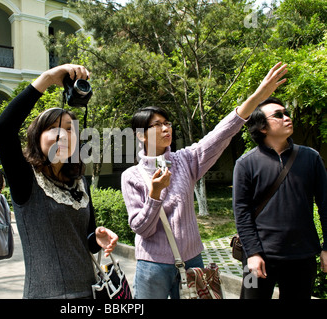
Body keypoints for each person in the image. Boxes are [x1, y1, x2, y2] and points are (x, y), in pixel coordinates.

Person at [121, 62, 288, 299]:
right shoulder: (132, 176)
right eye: (157, 125)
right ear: (140, 134)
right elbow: (141, 229)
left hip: (192, 260)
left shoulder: (186, 160)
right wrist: (154, 194)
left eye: (167, 123)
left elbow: (223, 132)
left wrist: (258, 95)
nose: (166, 128)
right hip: (152, 265)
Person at [0, 64, 118, 299]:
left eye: (70, 129)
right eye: (53, 129)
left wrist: (98, 237)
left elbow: (86, 241)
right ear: (36, 137)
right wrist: (48, 78)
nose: (63, 134)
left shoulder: (80, 182)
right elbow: (4, 128)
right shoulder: (27, 179)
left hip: (89, 293)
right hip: (46, 294)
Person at [233, 96, 327, 299]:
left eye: (286, 113)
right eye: (278, 115)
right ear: (262, 127)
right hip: (257, 258)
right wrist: (253, 254)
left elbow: (325, 204)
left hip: (302, 257)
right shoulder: (245, 163)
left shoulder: (311, 158)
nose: (286, 117)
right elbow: (242, 213)